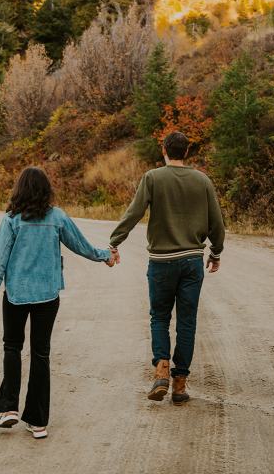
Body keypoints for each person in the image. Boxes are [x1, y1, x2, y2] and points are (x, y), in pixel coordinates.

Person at [0, 166, 118, 439]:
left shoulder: (11, 220)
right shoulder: (57, 218)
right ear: (46, 190)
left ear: (19, 190)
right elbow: (82, 245)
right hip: (47, 296)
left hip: (16, 296)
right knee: (40, 354)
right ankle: (38, 421)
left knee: (12, 347)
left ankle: (9, 410)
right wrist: (105, 255)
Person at [109, 130, 225, 405]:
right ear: (186, 152)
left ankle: (161, 368)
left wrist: (115, 241)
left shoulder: (153, 178)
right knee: (187, 321)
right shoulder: (202, 180)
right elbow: (216, 223)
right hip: (191, 262)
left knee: (159, 317)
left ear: (164, 150)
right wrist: (216, 252)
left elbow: (134, 212)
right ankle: (180, 384)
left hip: (161, 262)